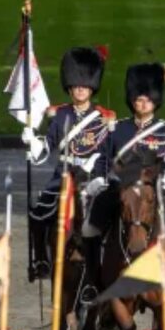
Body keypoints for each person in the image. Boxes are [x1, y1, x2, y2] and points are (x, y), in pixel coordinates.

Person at [26, 46, 115, 289]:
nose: (80, 90)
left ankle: (104, 268)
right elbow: (47, 150)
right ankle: (41, 260)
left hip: (91, 177)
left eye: (84, 87)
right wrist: (32, 143)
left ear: (91, 88)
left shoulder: (103, 118)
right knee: (38, 213)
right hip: (64, 176)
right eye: (76, 87)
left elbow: (108, 154)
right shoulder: (60, 115)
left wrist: (99, 175)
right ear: (70, 87)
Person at [107, 62, 165, 179]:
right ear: (132, 101)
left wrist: (163, 178)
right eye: (140, 100)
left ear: (156, 102)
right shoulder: (117, 129)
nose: (144, 105)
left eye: (149, 100)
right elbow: (106, 161)